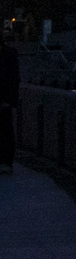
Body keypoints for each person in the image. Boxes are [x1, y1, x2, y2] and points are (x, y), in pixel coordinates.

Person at [0, 33, 18, 172]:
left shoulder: (10, 54)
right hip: (5, 98)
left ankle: (6, 161)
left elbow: (14, 78)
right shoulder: (10, 54)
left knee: (6, 130)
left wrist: (10, 99)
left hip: (4, 99)